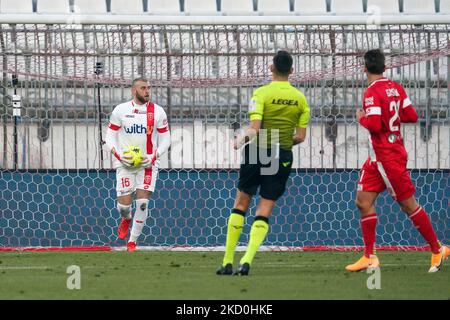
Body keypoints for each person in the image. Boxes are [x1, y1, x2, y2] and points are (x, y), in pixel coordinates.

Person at [346, 49, 449, 273]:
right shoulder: (396, 88)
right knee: (363, 201)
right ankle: (369, 257)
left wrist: (361, 118)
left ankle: (437, 248)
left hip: (388, 157)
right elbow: (412, 115)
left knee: (407, 204)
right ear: (385, 67)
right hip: (379, 157)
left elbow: (374, 125)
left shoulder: (372, 93)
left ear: (365, 68)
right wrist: (391, 119)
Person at [216, 51, 310, 276]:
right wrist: (281, 142)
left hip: (258, 150)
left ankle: (228, 261)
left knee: (241, 203)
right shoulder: (300, 98)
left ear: (271, 68)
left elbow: (255, 128)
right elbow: (300, 137)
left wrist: (240, 139)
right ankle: (247, 260)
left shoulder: (261, 93)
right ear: (292, 71)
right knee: (265, 207)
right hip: (281, 154)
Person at [105, 77, 171, 252]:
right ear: (134, 91)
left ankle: (132, 241)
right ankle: (126, 219)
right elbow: (109, 137)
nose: (147, 91)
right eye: (143, 88)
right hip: (125, 164)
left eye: (148, 88)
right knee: (124, 206)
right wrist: (118, 155)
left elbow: (166, 139)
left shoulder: (157, 112)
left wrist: (154, 155)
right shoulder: (121, 110)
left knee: (142, 202)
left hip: (148, 164)